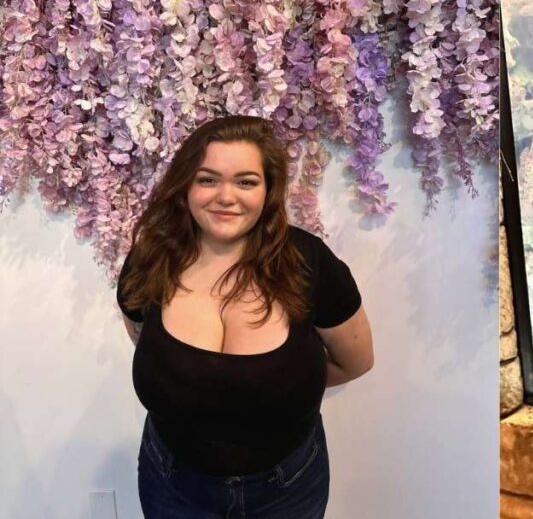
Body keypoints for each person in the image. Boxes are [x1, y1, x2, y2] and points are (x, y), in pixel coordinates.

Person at [116, 115, 374, 518]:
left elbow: (355, 361)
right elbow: (141, 336)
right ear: (185, 185)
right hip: (172, 483)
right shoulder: (150, 261)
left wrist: (278, 386)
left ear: (268, 190)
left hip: (287, 488)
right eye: (207, 179)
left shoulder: (309, 263)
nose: (226, 196)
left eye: (246, 182)